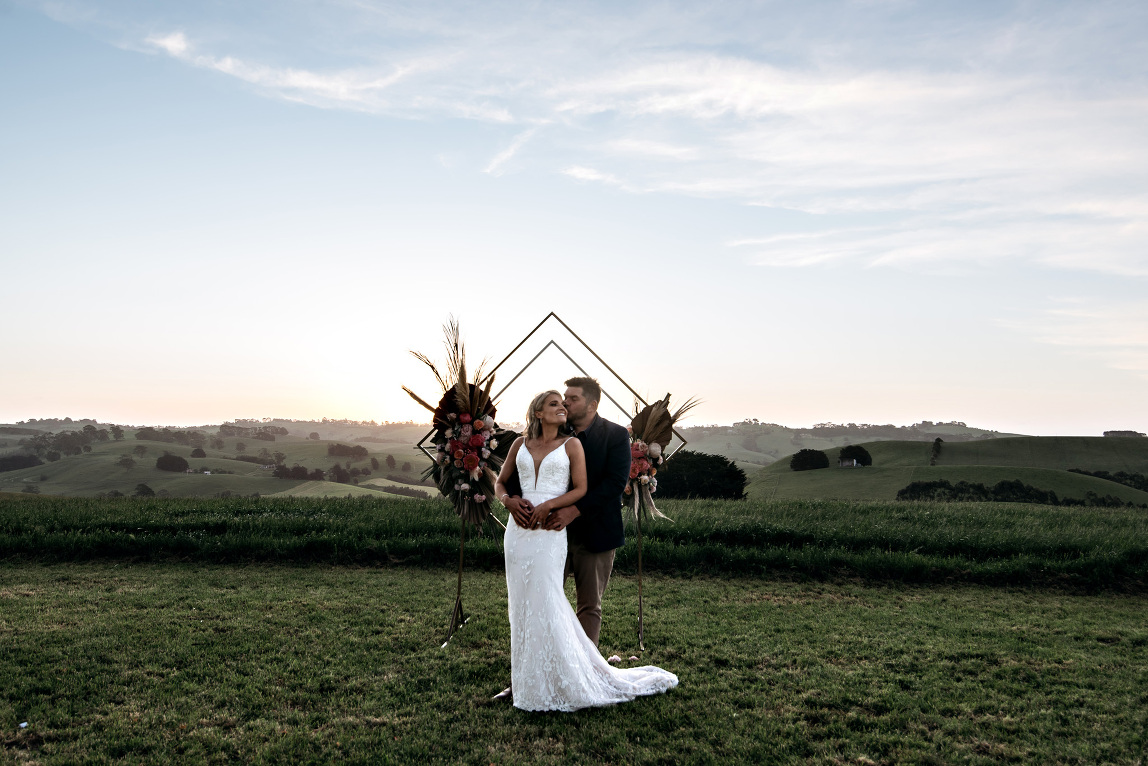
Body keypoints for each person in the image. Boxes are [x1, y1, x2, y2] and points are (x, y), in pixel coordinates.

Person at [494, 388, 677, 712]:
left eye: (569, 400)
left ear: (591, 403)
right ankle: (522, 679)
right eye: (556, 402)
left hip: (567, 532)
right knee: (522, 606)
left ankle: (579, 675)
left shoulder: (588, 441)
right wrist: (508, 501)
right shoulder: (521, 443)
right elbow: (502, 482)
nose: (563, 405)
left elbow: (598, 486)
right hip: (521, 535)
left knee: (573, 605)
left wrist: (553, 505)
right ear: (537, 412)